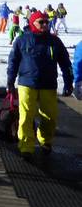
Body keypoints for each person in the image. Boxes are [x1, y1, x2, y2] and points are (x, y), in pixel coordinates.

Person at [6, 10, 74, 160]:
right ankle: (26, 147)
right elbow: (13, 62)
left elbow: (65, 63)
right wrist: (10, 81)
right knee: (26, 116)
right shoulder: (22, 40)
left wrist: (68, 82)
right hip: (27, 83)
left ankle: (45, 140)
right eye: (41, 22)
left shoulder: (55, 41)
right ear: (32, 23)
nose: (44, 25)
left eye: (46, 22)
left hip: (48, 84)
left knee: (50, 117)